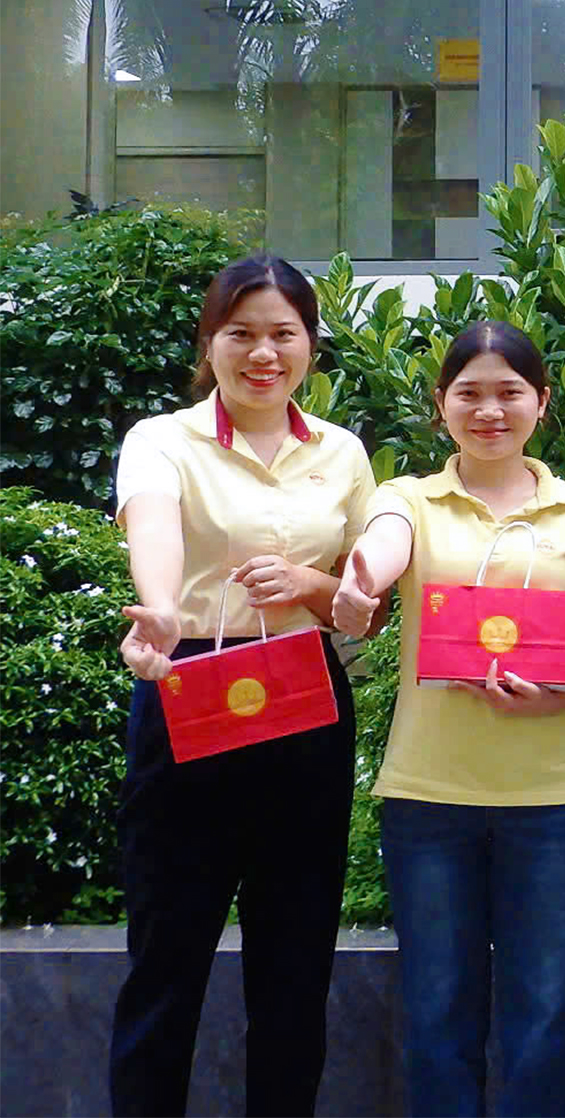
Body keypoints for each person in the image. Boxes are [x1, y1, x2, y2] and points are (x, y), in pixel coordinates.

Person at [330, 319, 565, 1116]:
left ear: (542, 402)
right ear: (440, 404)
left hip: (551, 797)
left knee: (545, 1010)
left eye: (510, 393)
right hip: (429, 795)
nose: (490, 410)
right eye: (469, 393)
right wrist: (364, 579)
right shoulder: (408, 498)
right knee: (437, 1010)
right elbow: (387, 542)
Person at [110, 253, 375, 1116]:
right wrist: (158, 610)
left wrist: (312, 585)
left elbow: (365, 602)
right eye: (242, 334)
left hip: (304, 698)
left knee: (295, 964)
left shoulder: (342, 452)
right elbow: (154, 525)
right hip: (190, 683)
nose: (264, 353)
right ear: (210, 342)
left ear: (310, 345)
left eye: (283, 334)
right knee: (167, 957)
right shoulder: (162, 440)